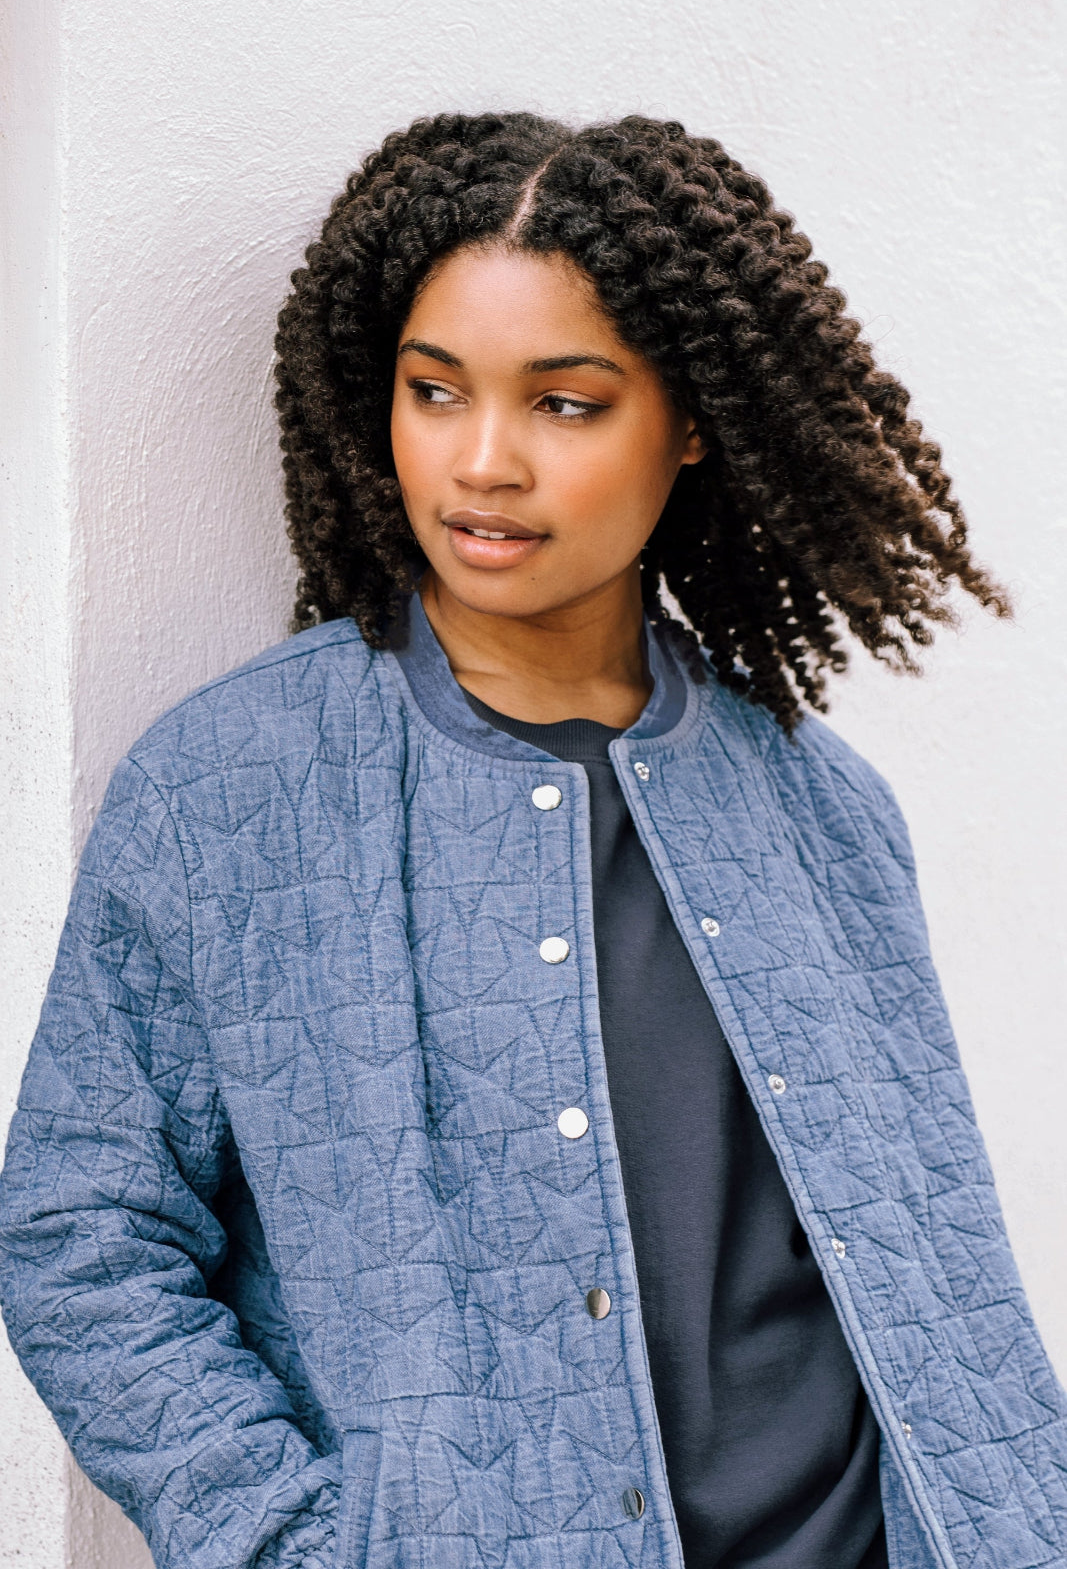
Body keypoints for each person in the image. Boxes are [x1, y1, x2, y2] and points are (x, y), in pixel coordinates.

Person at [0, 110, 1063, 1569]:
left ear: (689, 421)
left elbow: (934, 1258)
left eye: (566, 403)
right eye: (435, 392)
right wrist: (299, 1545)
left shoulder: (826, 811)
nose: (483, 461)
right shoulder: (229, 791)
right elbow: (82, 1243)